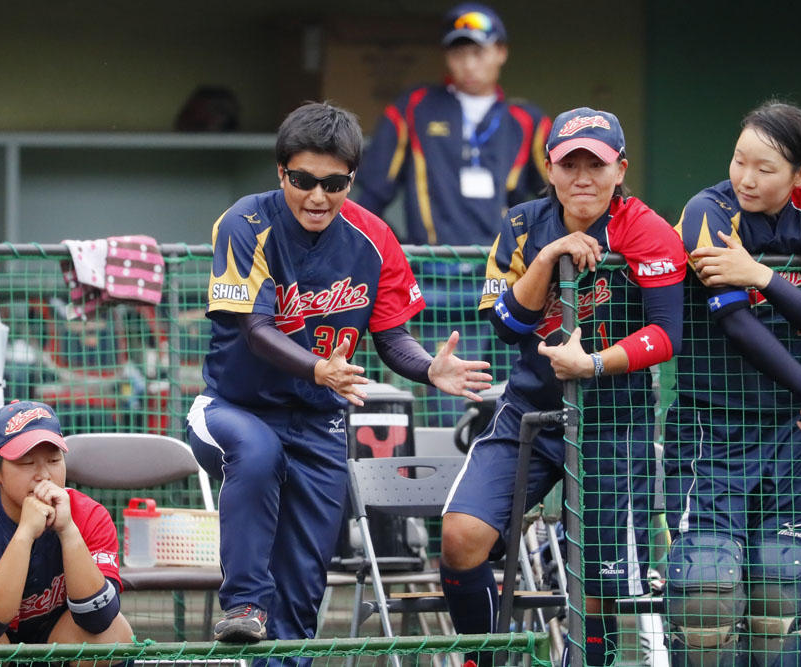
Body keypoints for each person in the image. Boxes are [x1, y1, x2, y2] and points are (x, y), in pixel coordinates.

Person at [185, 101, 492, 660]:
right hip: (234, 408)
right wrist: (318, 367)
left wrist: (429, 367)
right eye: (303, 180)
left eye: (334, 183)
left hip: (318, 421)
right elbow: (254, 328)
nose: (317, 196)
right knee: (257, 455)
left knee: (303, 589)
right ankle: (245, 603)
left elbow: (391, 338)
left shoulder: (373, 238)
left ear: (352, 179)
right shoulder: (246, 222)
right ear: (281, 173)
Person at [439, 107, 686, 666]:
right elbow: (505, 326)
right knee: (460, 538)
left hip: (614, 420)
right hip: (530, 413)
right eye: (568, 163)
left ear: (619, 169)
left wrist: (594, 363)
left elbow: (667, 334)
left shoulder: (645, 229)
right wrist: (550, 256)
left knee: (596, 577)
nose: (582, 177)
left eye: (595, 164)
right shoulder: (524, 224)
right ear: (549, 169)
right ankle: (484, 659)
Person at [664, 101, 801, 666]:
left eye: (766, 168)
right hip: (715, 426)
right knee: (705, 587)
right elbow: (734, 319)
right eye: (738, 161)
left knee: (782, 584)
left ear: (800, 175)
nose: (746, 179)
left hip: (797, 432)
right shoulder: (708, 210)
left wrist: (761, 275)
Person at [354, 3, 551, 423]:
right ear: (447, 57)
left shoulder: (527, 120)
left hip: (504, 280)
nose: (469, 61)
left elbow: (554, 197)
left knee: (508, 402)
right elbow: (369, 192)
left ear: (501, 52)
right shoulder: (414, 108)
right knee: (450, 411)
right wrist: (392, 249)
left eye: (479, 50)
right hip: (435, 281)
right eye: (459, 51)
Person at [0, 400, 133, 665]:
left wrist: (68, 531)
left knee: (115, 634)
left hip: (58, 639)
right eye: (27, 463)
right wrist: (25, 533)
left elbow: (100, 617)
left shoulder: (89, 515)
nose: (44, 475)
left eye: (54, 459)